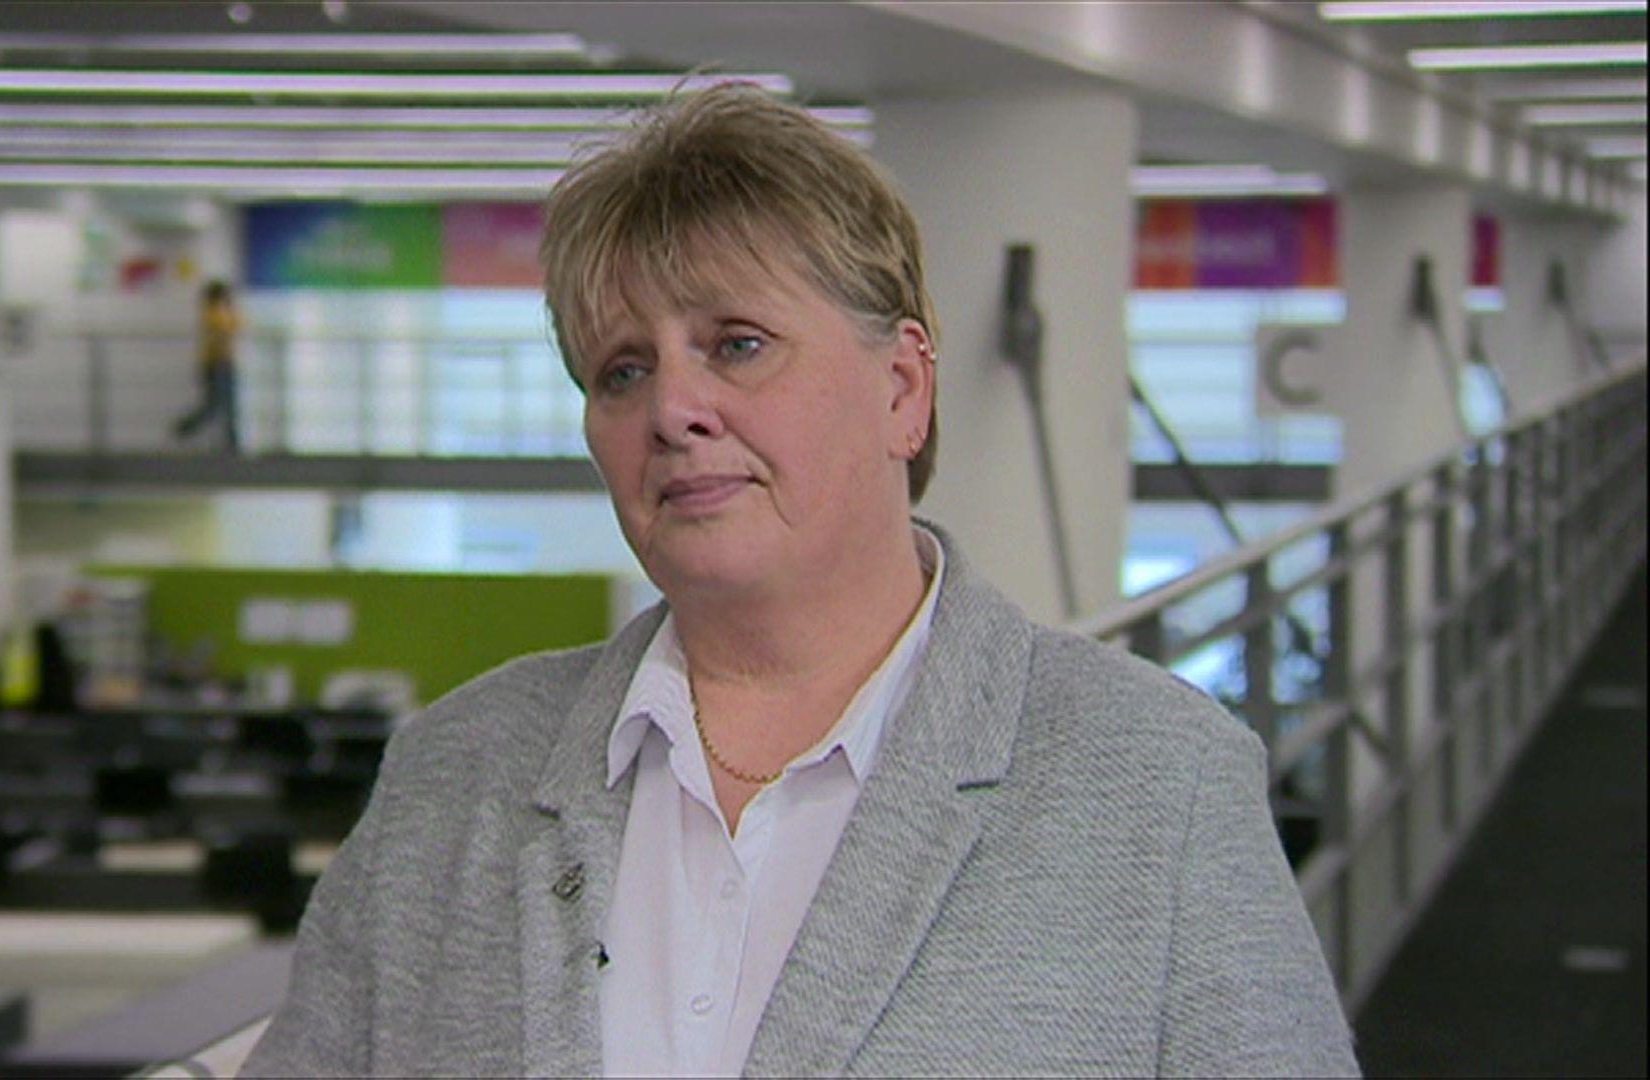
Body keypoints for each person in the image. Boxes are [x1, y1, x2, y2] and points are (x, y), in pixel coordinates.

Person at [243, 85, 1358, 1077]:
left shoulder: (1158, 789)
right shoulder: (454, 777)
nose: (673, 409)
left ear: (903, 391)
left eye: (736, 345)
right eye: (622, 369)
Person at [173, 279, 241, 450]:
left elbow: (237, 324)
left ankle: (231, 444)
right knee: (217, 404)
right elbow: (225, 330)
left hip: (224, 363)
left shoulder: (221, 312)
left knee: (226, 405)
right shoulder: (212, 313)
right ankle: (184, 428)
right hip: (216, 364)